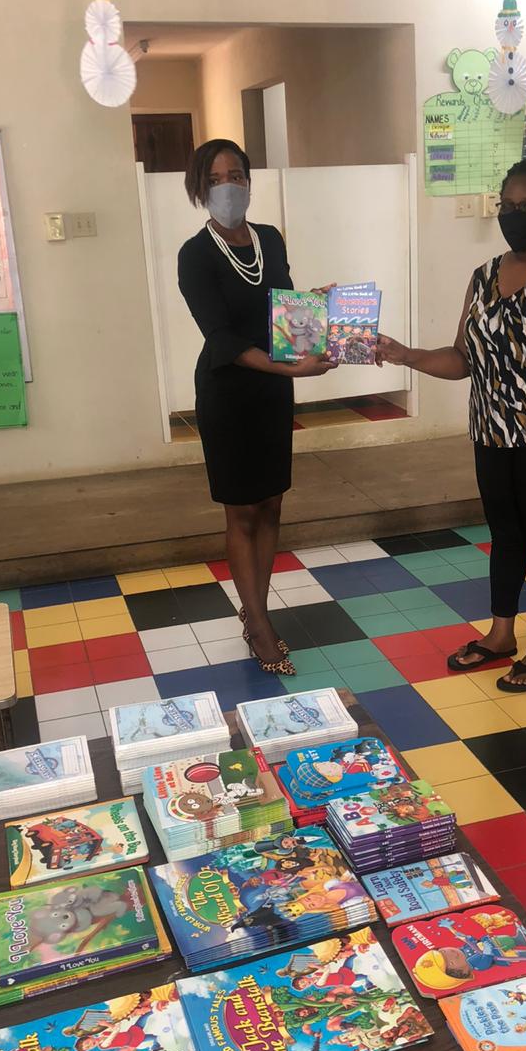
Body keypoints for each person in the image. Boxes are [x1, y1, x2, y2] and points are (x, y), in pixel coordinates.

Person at [377, 149, 526, 692]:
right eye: (507, 205)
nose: (514, 215)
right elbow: (464, 359)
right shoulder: (483, 277)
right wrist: (407, 354)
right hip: (490, 435)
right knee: (505, 537)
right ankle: (501, 634)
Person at [177, 139, 336, 675]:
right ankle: (259, 621)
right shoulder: (194, 254)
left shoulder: (269, 238)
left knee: (270, 503)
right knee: (241, 509)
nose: (230, 185)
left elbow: (282, 309)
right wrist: (283, 368)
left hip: (271, 391)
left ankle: (256, 610)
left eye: (238, 175)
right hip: (228, 391)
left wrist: (316, 307)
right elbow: (220, 336)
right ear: (200, 186)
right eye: (218, 176)